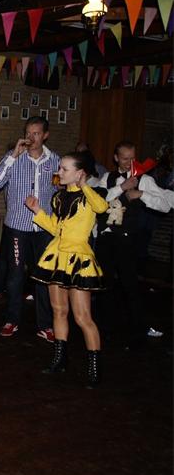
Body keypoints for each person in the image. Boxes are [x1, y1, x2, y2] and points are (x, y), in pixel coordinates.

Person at [26, 152, 108, 388]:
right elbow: (56, 228)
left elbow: (101, 208)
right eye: (59, 168)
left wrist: (84, 186)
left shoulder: (91, 195)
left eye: (64, 169)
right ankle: (60, 358)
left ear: (79, 173)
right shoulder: (59, 197)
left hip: (78, 257)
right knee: (59, 311)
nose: (58, 172)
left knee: (82, 317)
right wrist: (37, 211)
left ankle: (94, 368)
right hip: (57, 256)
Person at [95, 141, 172, 351]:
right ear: (116, 158)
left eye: (132, 158)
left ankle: (139, 328)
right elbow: (97, 201)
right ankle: (104, 328)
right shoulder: (107, 177)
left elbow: (166, 204)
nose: (129, 162)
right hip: (106, 238)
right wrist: (121, 187)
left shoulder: (144, 179)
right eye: (125, 158)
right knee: (104, 285)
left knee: (131, 285)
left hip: (127, 239)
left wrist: (142, 194)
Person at [0, 117, 59, 342]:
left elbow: (60, 190)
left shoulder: (55, 160)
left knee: (43, 277)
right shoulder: (13, 157)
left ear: (45, 135)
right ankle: (12, 320)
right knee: (15, 275)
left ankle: (45, 325)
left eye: (36, 133)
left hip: (44, 227)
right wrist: (12, 156)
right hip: (18, 226)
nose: (31, 137)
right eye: (28, 133)